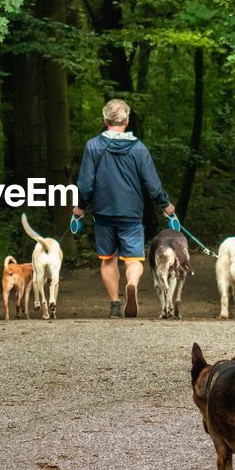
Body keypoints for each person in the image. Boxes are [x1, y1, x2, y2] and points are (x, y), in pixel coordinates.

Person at [72, 99, 179, 318]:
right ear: (127, 121)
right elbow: (152, 183)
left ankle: (114, 305)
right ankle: (132, 283)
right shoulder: (138, 148)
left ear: (104, 121)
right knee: (134, 259)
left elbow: (85, 183)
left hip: (103, 213)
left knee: (108, 258)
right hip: (131, 213)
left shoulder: (93, 146)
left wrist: (80, 207)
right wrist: (165, 205)